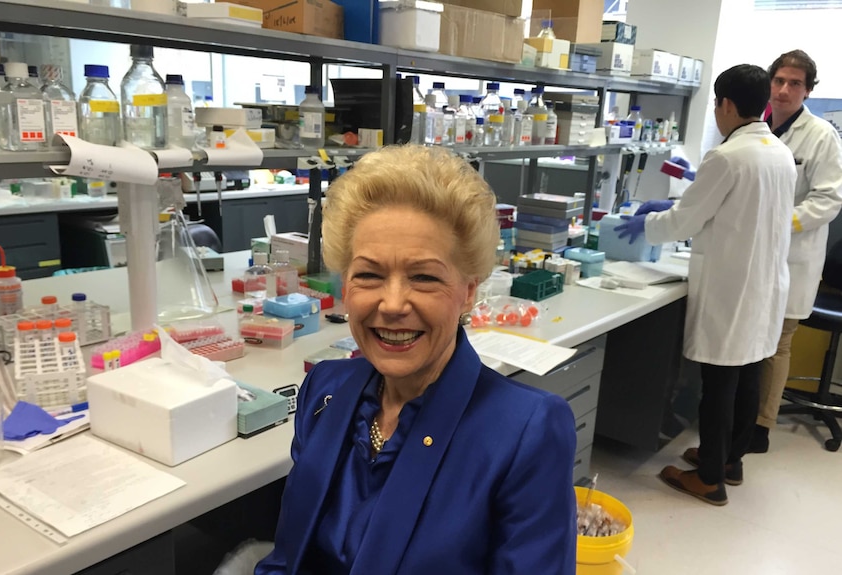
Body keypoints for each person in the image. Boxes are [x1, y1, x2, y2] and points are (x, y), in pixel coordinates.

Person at [255, 145, 578, 574]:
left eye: (424, 277)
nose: (391, 304)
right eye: (368, 274)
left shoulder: (526, 432)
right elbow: (286, 559)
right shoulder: (325, 390)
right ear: (346, 287)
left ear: (467, 291)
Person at [615, 64, 796, 505]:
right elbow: (733, 206)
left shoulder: (728, 156)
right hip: (763, 285)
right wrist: (678, 202)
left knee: (719, 386)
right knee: (747, 376)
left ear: (727, 105)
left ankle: (709, 479)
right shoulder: (778, 151)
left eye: (716, 104)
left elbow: (683, 221)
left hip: (732, 290)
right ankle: (730, 461)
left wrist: (644, 222)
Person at [750, 50, 842, 453]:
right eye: (779, 81)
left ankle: (760, 427)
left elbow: (829, 199)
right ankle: (740, 416)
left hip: (793, 257)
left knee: (776, 344)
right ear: (770, 83)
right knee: (751, 339)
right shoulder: (755, 127)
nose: (785, 90)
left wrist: (779, 223)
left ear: (808, 90)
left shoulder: (821, 135)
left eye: (795, 83)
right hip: (753, 255)